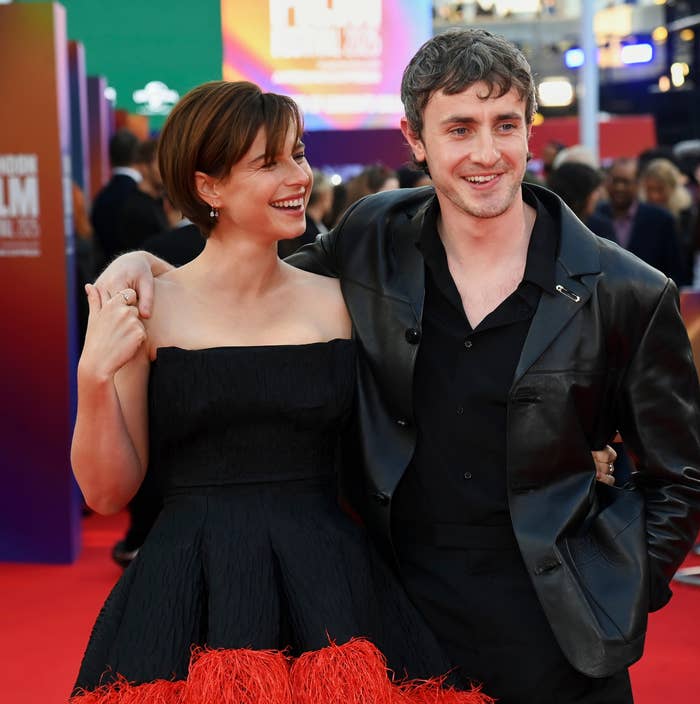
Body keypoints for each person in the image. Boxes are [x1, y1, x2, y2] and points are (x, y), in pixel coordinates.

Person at [92, 29, 673, 704]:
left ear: (529, 130)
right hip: (399, 612)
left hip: (557, 631)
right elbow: (243, 289)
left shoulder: (625, 289)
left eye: (505, 124)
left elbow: (679, 477)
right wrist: (141, 267)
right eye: (460, 128)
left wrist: (620, 585)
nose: (487, 152)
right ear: (415, 140)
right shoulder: (370, 246)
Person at [70, 80, 494, 704]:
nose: (298, 176)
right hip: (190, 586)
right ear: (208, 186)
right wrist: (93, 378)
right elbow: (107, 494)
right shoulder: (148, 310)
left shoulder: (341, 302)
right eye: (268, 163)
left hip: (329, 585)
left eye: (297, 154)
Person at [597, 157, 685, 284]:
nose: (619, 187)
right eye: (615, 181)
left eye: (625, 182)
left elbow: (675, 272)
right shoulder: (595, 216)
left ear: (638, 183)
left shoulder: (661, 219)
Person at [90, 129, 141, 270]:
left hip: (106, 272)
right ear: (137, 157)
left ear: (110, 158)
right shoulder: (141, 196)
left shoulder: (101, 197)